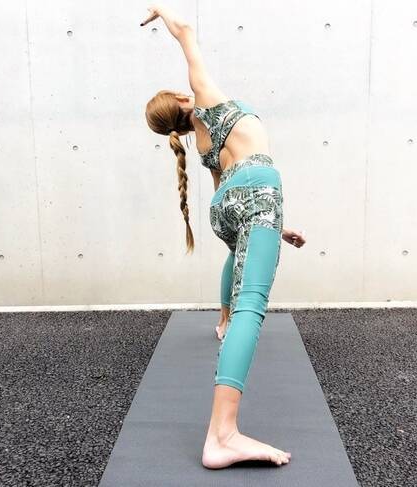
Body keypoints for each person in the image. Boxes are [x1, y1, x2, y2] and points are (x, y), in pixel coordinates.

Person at [141, 4, 306, 469]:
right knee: (251, 306)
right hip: (256, 192)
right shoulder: (207, 99)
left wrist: (274, 228)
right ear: (181, 97)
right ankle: (222, 435)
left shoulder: (201, 140)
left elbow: (227, 196)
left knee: (238, 258)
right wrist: (162, 11)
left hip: (228, 205)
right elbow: (185, 31)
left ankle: (222, 320)